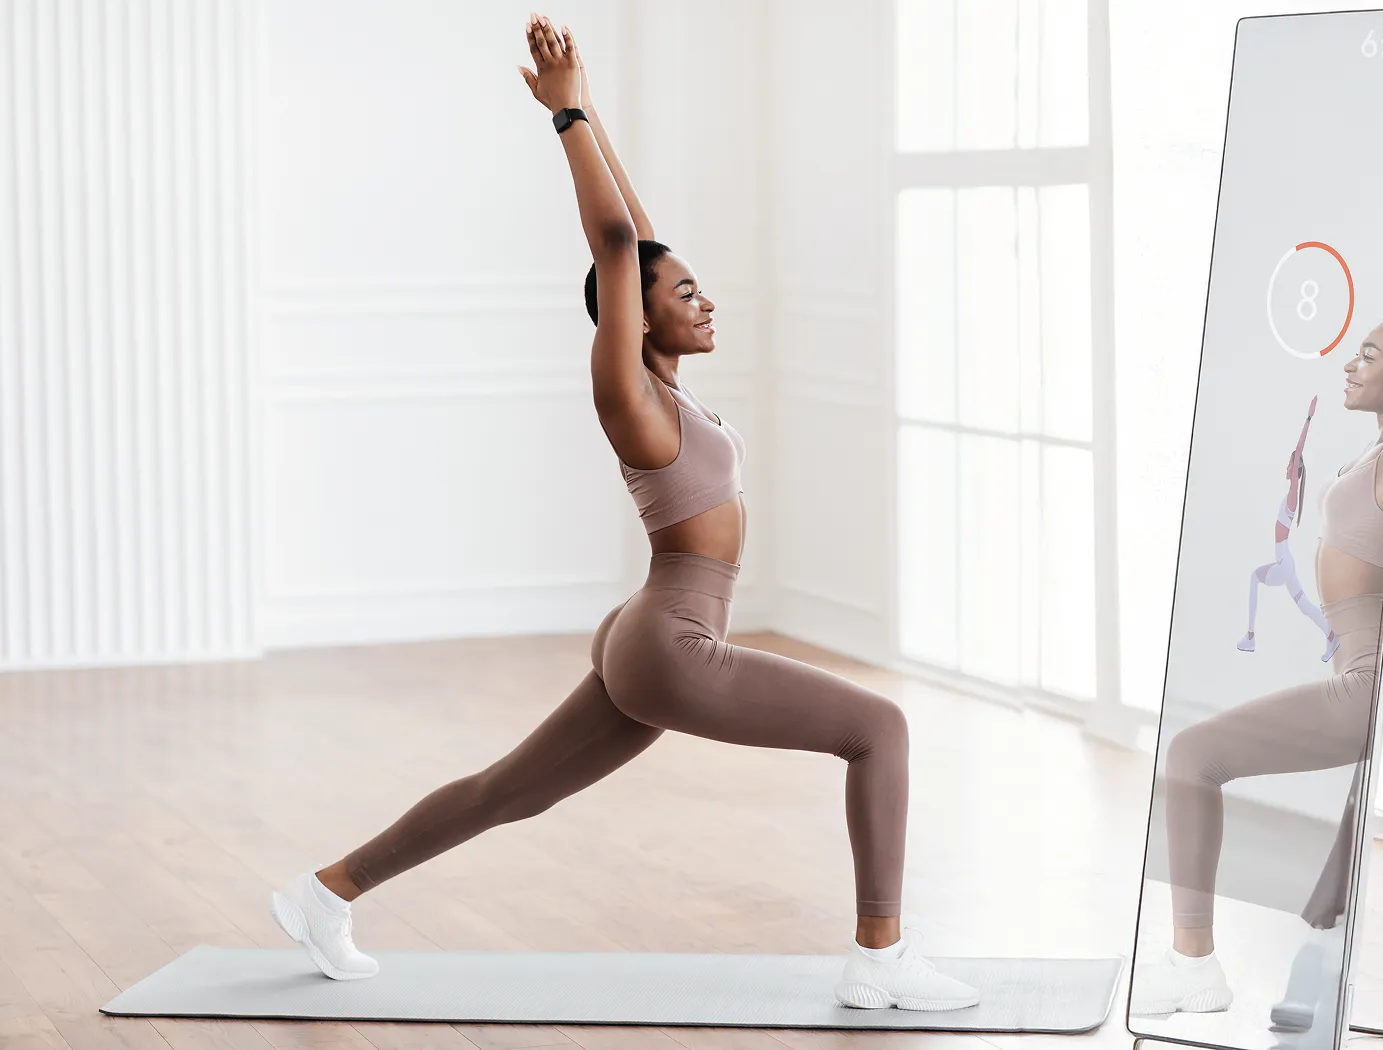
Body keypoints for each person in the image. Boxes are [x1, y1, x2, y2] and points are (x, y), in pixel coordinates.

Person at [266, 13, 979, 1014]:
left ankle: (323, 894)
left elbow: (634, 242)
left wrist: (587, 103)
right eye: (686, 294)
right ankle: (881, 959)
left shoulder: (665, 378)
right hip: (673, 640)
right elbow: (617, 248)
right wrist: (564, 122)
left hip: (651, 632)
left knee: (511, 789)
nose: (707, 300)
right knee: (881, 727)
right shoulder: (630, 399)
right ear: (638, 317)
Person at [1131, 262, 1383, 1018]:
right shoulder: (1380, 443)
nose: (1351, 362)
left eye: (1370, 354)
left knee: (1191, 756)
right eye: (1354, 350)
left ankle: (1192, 965)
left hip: (1362, 684)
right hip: (1347, 664)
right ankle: (1205, 964)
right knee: (1193, 757)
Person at [1237, 396, 1340, 663]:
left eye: (1290, 465)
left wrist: (1308, 417)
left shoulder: (1293, 492)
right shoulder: (1290, 496)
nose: (1287, 467)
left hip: (1283, 561)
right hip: (1286, 561)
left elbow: (1298, 450)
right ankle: (1331, 637)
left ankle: (1250, 636)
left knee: (1253, 578)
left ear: (1296, 470)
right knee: (1305, 606)